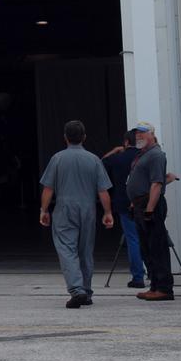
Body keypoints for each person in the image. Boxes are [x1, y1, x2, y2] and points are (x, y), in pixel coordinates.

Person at [39, 120, 115, 308]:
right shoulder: (94, 159)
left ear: (65, 138)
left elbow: (48, 189)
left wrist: (44, 210)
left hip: (65, 208)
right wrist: (107, 212)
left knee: (66, 249)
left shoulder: (57, 159)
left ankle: (76, 290)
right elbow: (103, 191)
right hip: (88, 208)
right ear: (84, 138)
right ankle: (86, 291)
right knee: (85, 251)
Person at [127, 121, 173, 300]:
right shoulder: (142, 155)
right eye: (137, 133)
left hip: (149, 205)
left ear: (152, 134)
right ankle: (154, 285)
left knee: (157, 247)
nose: (138, 136)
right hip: (140, 204)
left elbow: (156, 184)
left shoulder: (155, 155)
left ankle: (164, 288)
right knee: (147, 248)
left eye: (142, 133)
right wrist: (134, 204)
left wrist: (149, 210)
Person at [102, 130, 147, 288]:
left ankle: (138, 276)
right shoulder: (145, 156)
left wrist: (114, 151)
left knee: (133, 239)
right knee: (148, 237)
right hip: (145, 202)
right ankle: (154, 272)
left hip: (124, 202)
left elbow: (100, 165)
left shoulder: (118, 158)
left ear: (126, 142)